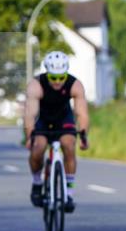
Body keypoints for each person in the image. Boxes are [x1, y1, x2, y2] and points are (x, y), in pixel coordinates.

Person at [24, 51, 89, 212]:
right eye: (54, 78)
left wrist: (84, 135)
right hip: (43, 120)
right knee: (38, 149)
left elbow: (82, 113)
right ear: (47, 73)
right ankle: (37, 183)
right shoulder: (36, 85)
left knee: (68, 145)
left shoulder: (75, 85)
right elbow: (30, 114)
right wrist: (29, 136)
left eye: (62, 77)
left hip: (64, 119)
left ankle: (69, 194)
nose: (58, 82)